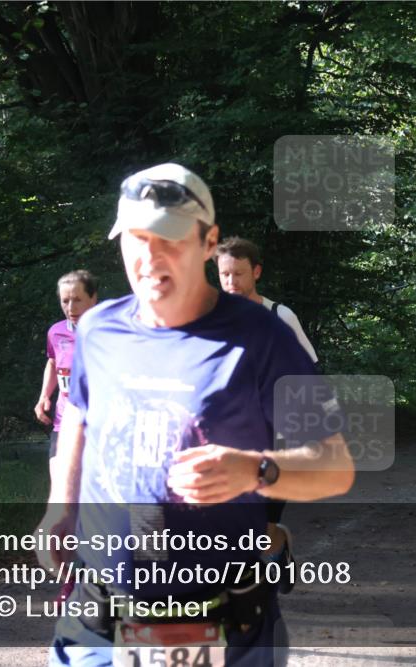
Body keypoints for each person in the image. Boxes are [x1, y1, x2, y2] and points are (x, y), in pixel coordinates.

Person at [36, 163, 355, 667]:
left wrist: (254, 470)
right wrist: (62, 506)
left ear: (210, 242)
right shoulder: (99, 328)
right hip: (96, 620)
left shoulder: (263, 338)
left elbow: (335, 467)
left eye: (169, 239)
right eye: (136, 238)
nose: (149, 257)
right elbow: (78, 412)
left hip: (224, 625)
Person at [215, 237, 316, 594]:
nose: (232, 284)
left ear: (255, 272)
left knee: (262, 520)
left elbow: (309, 371)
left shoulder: (279, 316)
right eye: (225, 275)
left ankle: (278, 544)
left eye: (239, 274)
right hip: (230, 435)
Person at [34, 270, 99, 474]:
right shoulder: (56, 331)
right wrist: (44, 396)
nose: (71, 307)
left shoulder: (110, 331)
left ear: (93, 298)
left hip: (99, 424)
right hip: (64, 422)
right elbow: (53, 362)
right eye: (65, 301)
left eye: (77, 300)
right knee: (60, 485)